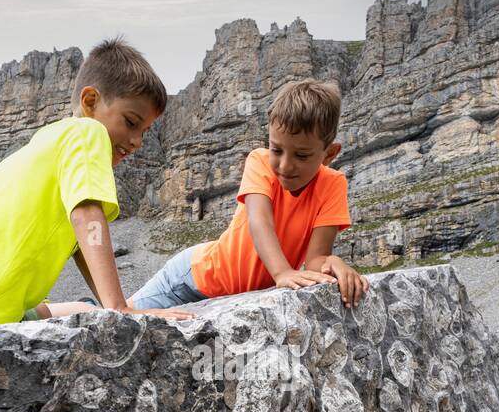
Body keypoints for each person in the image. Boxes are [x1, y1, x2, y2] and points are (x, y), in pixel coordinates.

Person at [0, 37, 193, 333]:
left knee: (79, 310)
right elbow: (86, 216)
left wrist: (111, 307)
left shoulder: (49, 138)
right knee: (77, 315)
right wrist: (120, 308)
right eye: (131, 122)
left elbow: (81, 245)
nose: (137, 141)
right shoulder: (88, 134)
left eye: (146, 132)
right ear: (91, 101)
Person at [128, 78, 369, 313]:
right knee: (119, 316)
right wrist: (282, 273)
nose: (285, 165)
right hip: (190, 280)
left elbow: (316, 259)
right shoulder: (260, 160)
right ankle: (88, 306)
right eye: (277, 149)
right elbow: (260, 222)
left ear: (330, 154)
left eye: (302, 155)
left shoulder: (333, 184)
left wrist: (332, 264)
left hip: (231, 297)